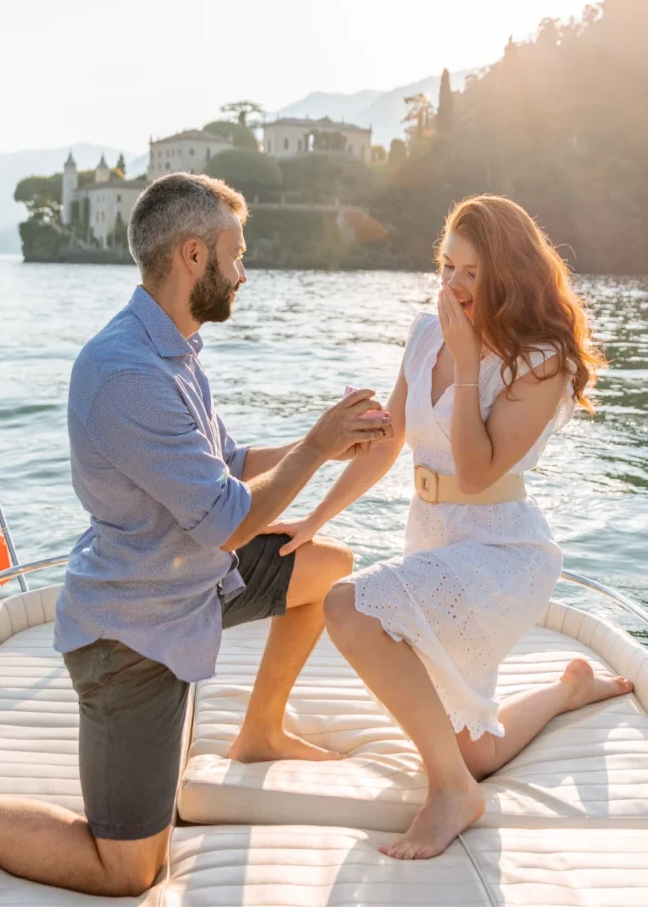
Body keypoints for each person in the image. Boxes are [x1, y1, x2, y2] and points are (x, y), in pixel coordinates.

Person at [0, 172, 391, 896]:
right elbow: (226, 519)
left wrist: (325, 440)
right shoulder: (126, 372)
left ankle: (260, 730)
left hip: (192, 581)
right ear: (194, 256)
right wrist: (315, 448)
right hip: (132, 636)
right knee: (127, 870)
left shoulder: (171, 348)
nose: (244, 271)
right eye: (236, 252)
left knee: (325, 565)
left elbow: (223, 467)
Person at [268, 195, 634, 860]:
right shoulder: (422, 331)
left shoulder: (540, 359)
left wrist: (468, 365)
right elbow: (386, 443)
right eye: (446, 267)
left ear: (508, 273)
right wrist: (313, 516)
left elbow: (472, 472)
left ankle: (451, 795)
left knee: (348, 606)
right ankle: (568, 690)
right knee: (479, 749)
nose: (453, 286)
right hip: (432, 536)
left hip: (500, 552)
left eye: (471, 272)